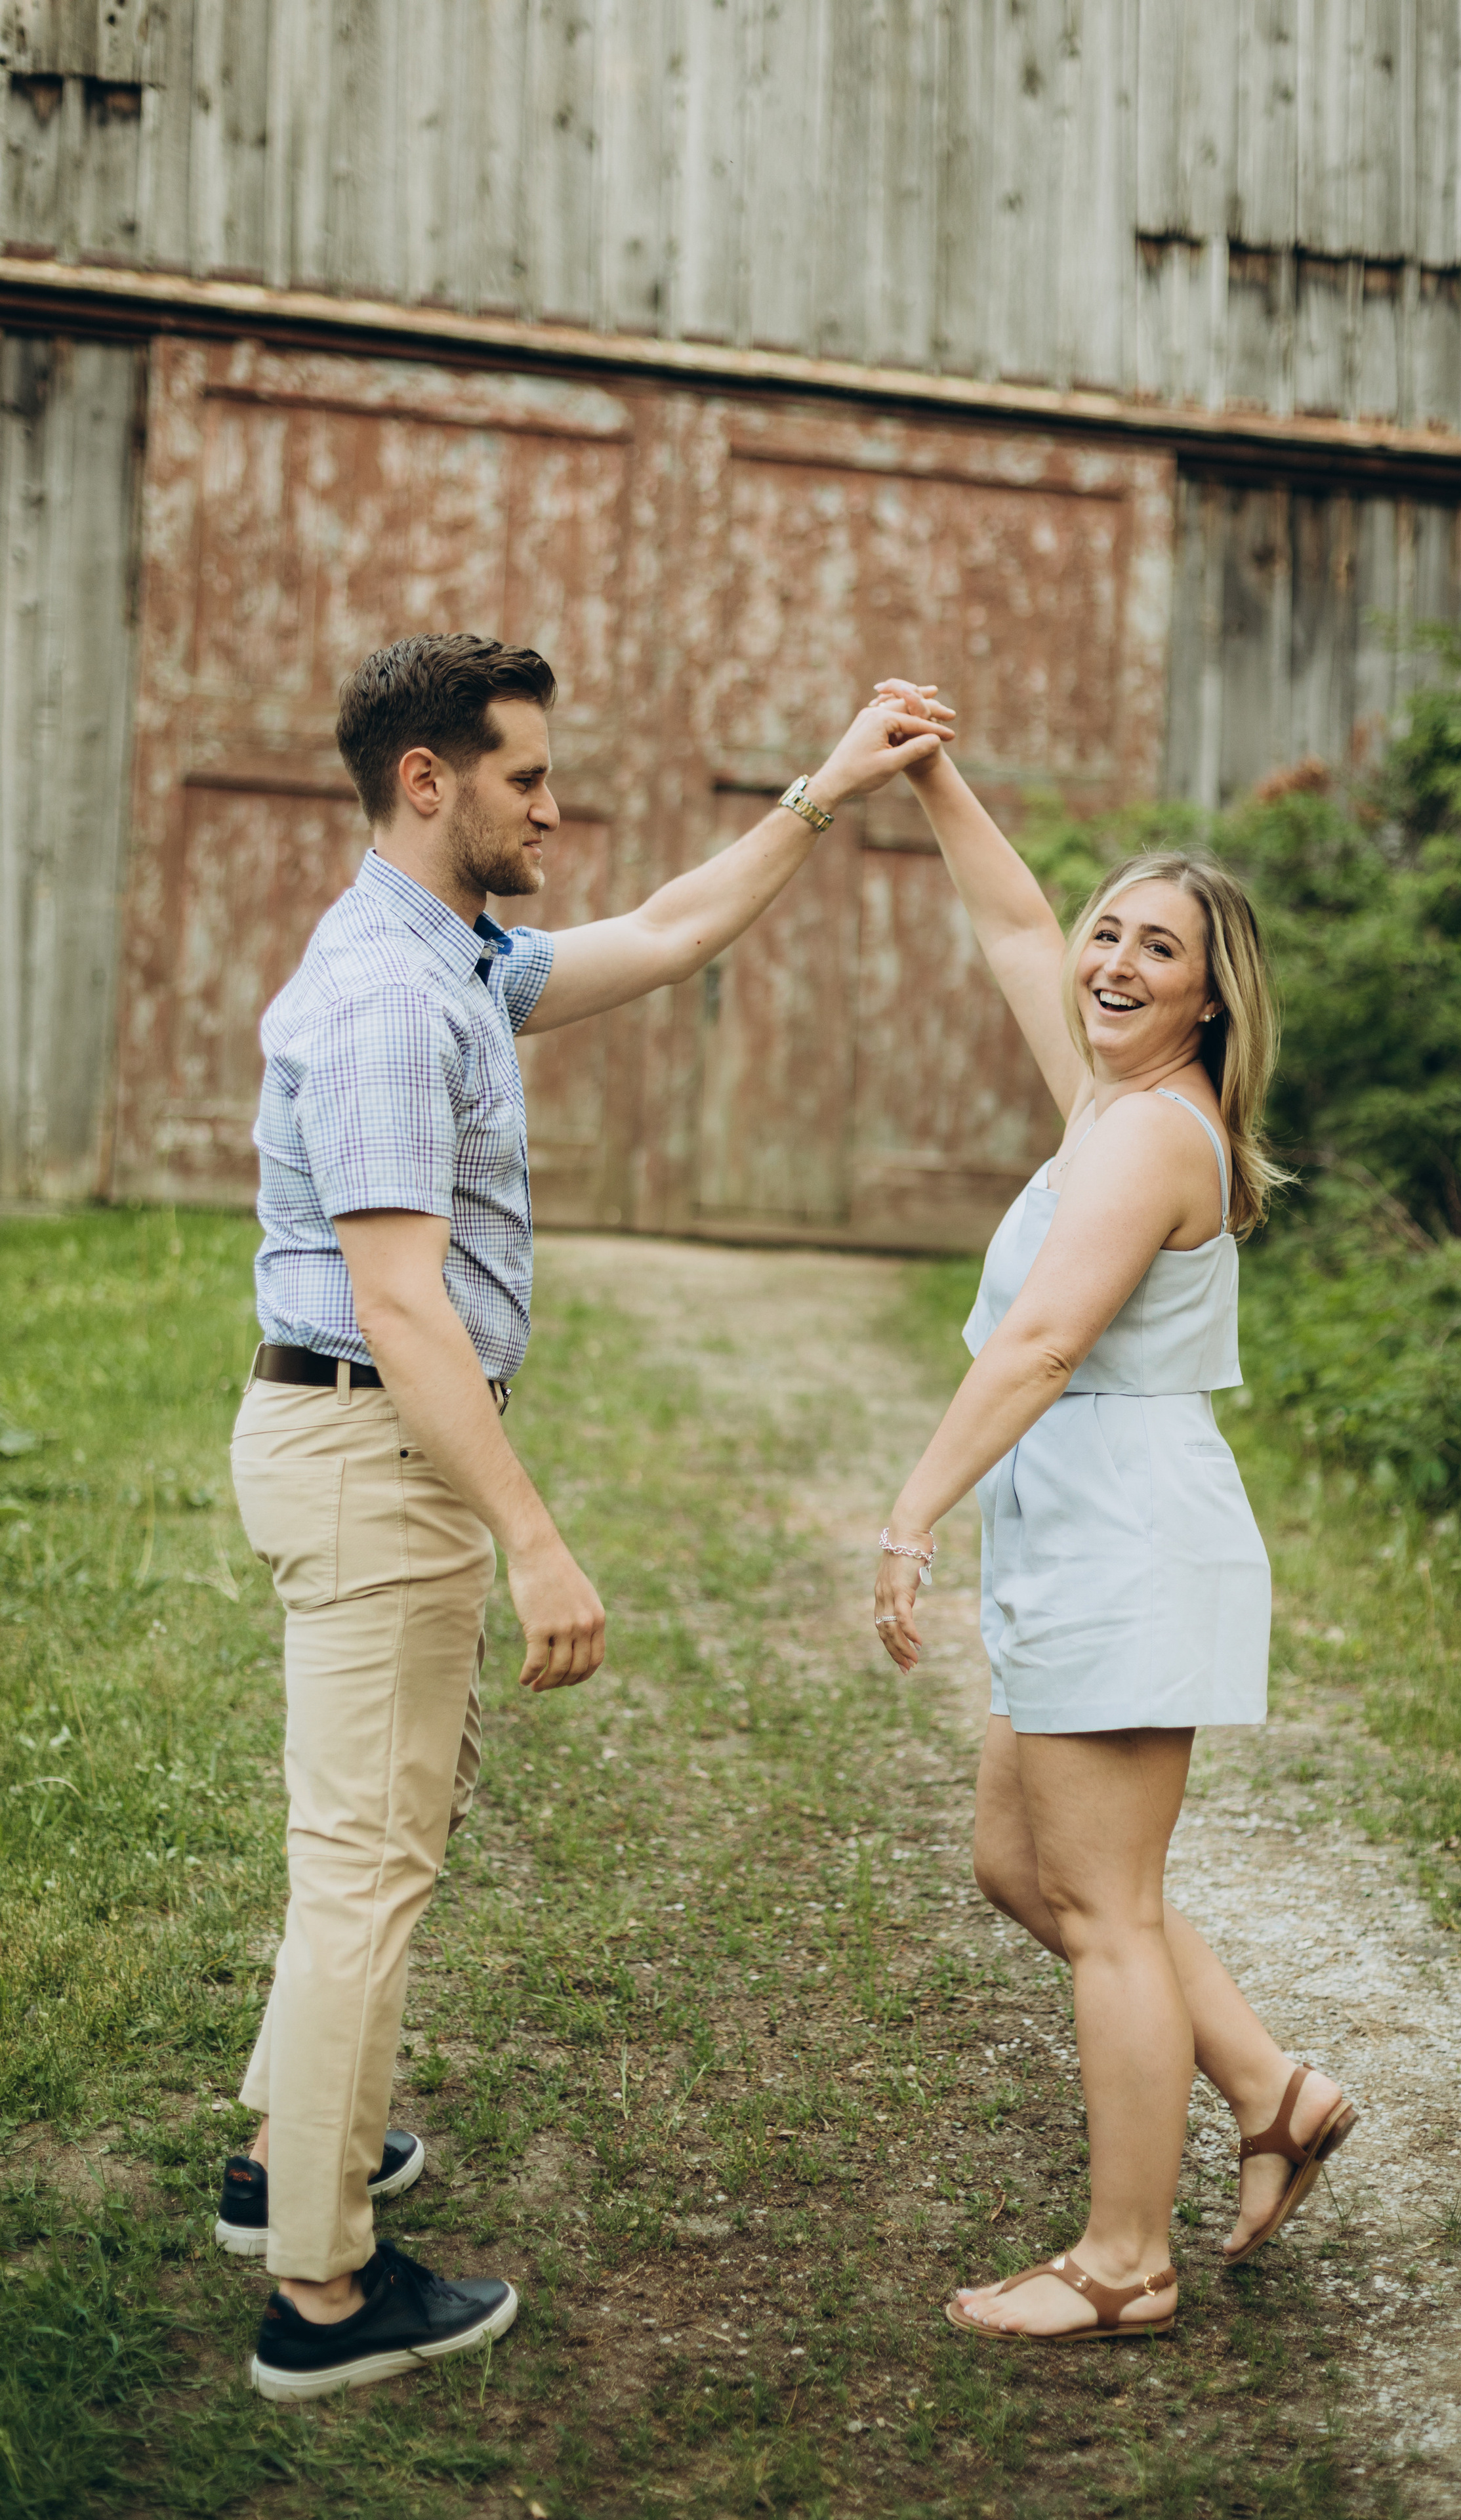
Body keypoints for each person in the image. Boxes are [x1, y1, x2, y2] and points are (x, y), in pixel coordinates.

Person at [222, 633, 951, 2401]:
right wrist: (536, 1541)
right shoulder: (396, 996)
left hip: (376, 1451)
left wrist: (822, 791)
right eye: (528, 778)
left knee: (370, 1845)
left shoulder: (450, 950)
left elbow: (677, 929)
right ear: (429, 781)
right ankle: (319, 2294)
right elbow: (401, 1309)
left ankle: (280, 2166)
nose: (556, 805)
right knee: (368, 1877)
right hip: (377, 1447)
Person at [868, 680, 1356, 2342]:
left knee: (1108, 1915)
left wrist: (909, 1512)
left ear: (1208, 1001)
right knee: (1028, 1865)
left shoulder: (1152, 1137)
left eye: (1157, 951)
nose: (1110, 964)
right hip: (1080, 1534)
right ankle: (1270, 2090)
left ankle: (1122, 2263)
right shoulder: (1101, 1094)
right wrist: (931, 773)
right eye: (1106, 935)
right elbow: (1010, 918)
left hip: (1130, 1542)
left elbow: (1045, 1340)